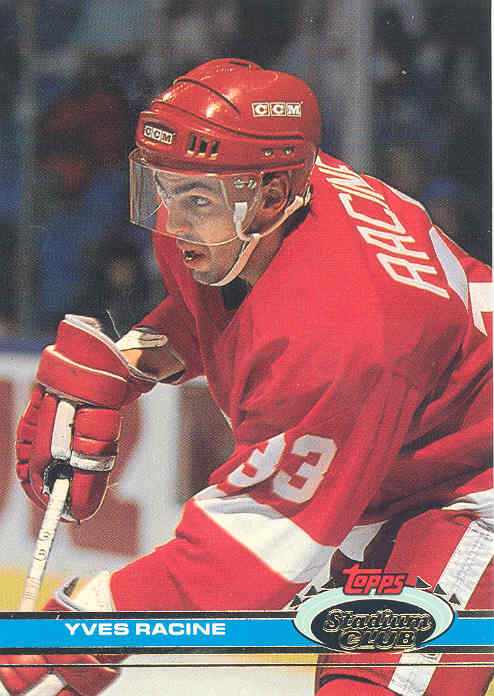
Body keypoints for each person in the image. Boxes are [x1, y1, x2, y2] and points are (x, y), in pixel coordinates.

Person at [1, 58, 492, 696]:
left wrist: (94, 621)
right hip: (403, 466)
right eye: (161, 188)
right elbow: (228, 309)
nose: (172, 223)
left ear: (272, 196)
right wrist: (130, 363)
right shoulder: (253, 206)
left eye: (194, 199)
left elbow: (257, 551)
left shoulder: (347, 328)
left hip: (467, 489)